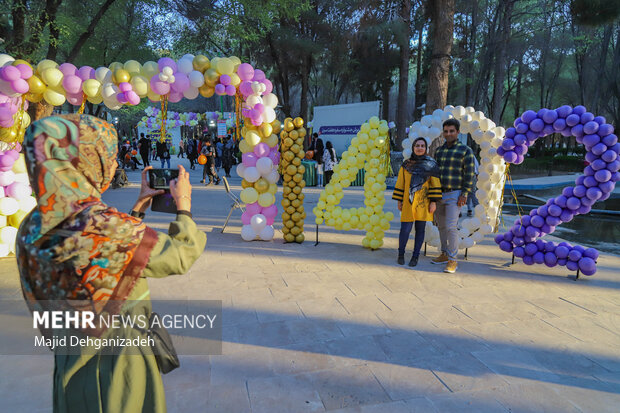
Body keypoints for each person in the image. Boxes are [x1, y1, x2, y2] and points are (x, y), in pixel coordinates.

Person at [17, 114, 206, 413]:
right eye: (107, 156)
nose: (115, 165)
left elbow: (108, 254)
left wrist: (138, 208)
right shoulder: (101, 226)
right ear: (85, 161)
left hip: (70, 360)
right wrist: (184, 207)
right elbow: (181, 254)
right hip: (116, 368)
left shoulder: (32, 224)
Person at [432, 118, 476, 273]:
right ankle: (444, 253)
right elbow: (434, 174)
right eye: (446, 131)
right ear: (443, 133)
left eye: (452, 131)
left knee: (451, 227)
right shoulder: (439, 151)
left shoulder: (465, 151)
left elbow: (469, 175)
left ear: (458, 132)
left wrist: (464, 194)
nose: (448, 134)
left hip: (455, 194)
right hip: (439, 194)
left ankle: (452, 260)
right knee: (441, 226)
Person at [392, 138, 442, 266]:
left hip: (423, 202)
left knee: (420, 230)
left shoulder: (431, 165)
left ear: (426, 149)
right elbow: (401, 183)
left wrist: (433, 202)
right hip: (408, 202)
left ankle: (415, 257)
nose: (420, 148)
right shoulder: (406, 164)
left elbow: (434, 184)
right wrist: (399, 200)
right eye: (417, 145)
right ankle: (401, 254)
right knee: (405, 229)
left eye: (422, 146)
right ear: (413, 148)